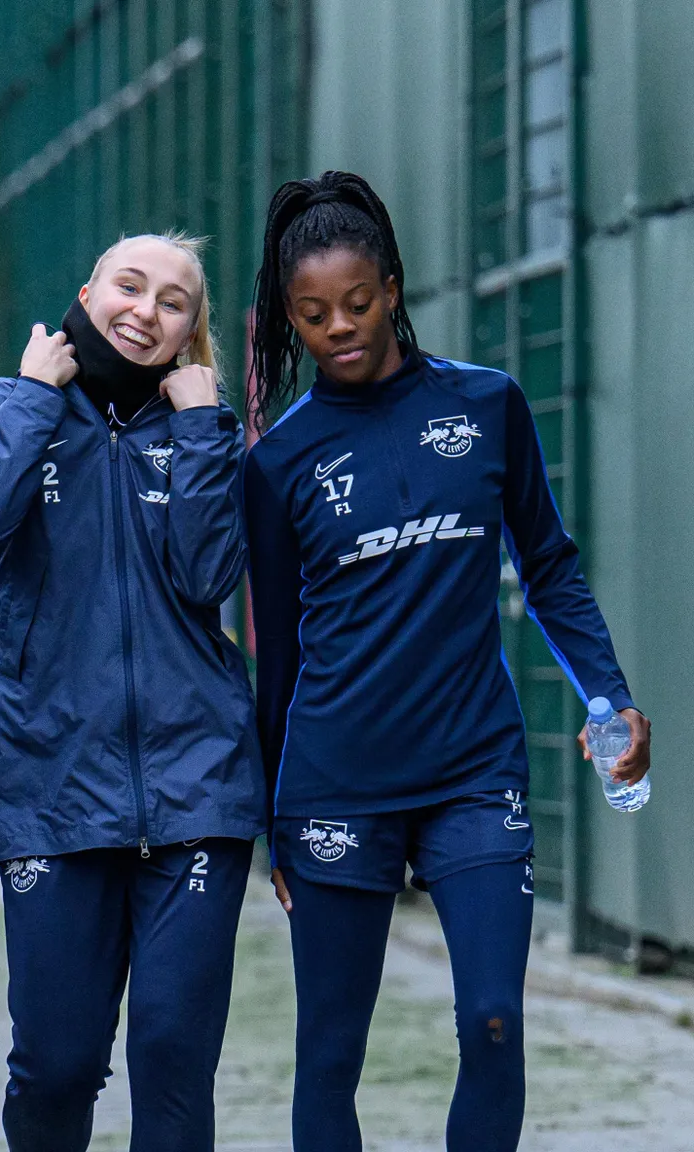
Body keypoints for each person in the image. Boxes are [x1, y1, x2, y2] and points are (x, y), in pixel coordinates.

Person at [243, 171, 650, 1151]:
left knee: (490, 1024)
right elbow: (277, 653)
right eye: (310, 315)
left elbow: (547, 568)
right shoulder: (276, 464)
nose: (336, 327)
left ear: (389, 286)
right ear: (286, 323)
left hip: (473, 773)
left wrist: (611, 697)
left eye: (353, 302)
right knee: (330, 1054)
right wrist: (268, 819)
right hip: (334, 788)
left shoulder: (486, 405)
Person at [0, 233, 264, 1150]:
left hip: (199, 790)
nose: (145, 310)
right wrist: (37, 398)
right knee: (57, 1065)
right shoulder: (4, 406)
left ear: (189, 331)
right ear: (89, 290)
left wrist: (205, 428)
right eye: (131, 286)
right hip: (52, 792)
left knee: (173, 1056)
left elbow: (209, 576)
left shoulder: (200, 431)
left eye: (173, 302)